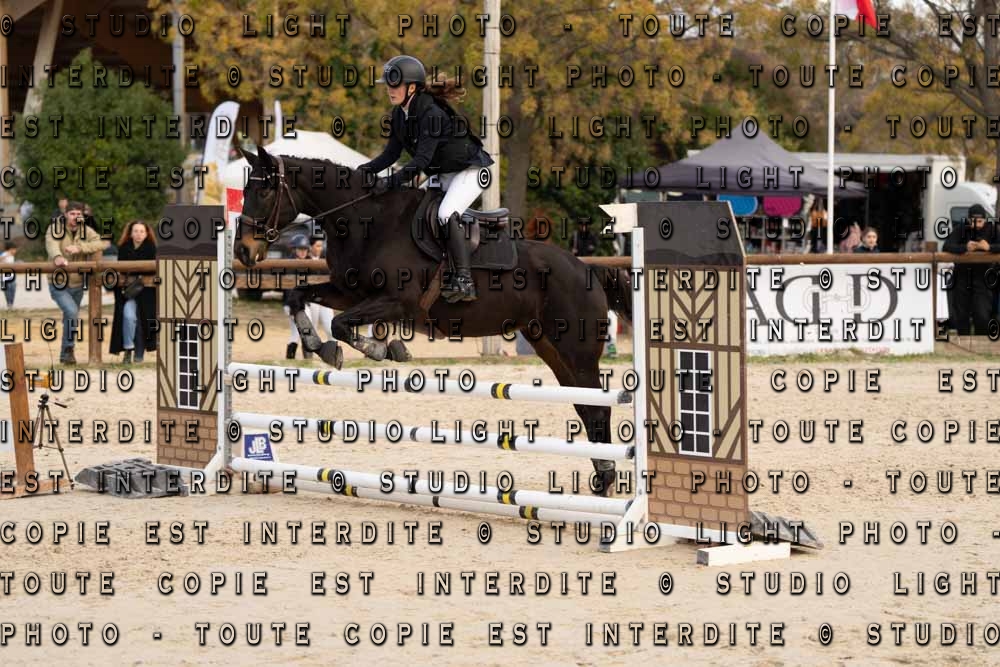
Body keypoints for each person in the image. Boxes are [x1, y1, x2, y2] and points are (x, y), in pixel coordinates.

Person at [359, 54, 494, 303]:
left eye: (395, 85)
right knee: (412, 208)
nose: (389, 90)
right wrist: (362, 171)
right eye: (388, 85)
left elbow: (421, 160)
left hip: (471, 172)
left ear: (412, 88)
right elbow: (390, 155)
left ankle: (464, 279)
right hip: (443, 174)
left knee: (445, 214)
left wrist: (390, 182)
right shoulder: (399, 115)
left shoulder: (430, 113)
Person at [45, 200, 110, 365]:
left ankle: (65, 354)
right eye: (72, 213)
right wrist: (57, 256)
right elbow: (51, 244)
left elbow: (104, 243)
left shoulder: (86, 230)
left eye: (78, 214)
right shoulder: (55, 228)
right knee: (72, 312)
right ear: (66, 214)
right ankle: (69, 348)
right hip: (58, 282)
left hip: (78, 283)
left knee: (70, 316)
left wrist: (80, 248)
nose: (75, 216)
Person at [943, 204, 1000, 335]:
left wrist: (989, 247)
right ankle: (963, 342)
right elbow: (947, 246)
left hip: (983, 277)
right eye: (973, 221)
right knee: (961, 314)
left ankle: (982, 342)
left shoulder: (992, 229)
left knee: (982, 314)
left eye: (980, 221)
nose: (977, 225)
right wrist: (965, 247)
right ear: (968, 220)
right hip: (962, 276)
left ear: (985, 220)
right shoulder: (961, 228)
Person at [109, 220, 158, 364]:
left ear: (147, 233)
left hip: (147, 293)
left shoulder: (152, 249)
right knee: (128, 316)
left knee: (142, 321)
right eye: (135, 231)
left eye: (142, 231)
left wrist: (135, 271)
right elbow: (122, 269)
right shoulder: (124, 248)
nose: (138, 234)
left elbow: (152, 269)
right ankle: (128, 349)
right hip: (129, 291)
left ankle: (139, 352)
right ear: (130, 233)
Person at [283, 235, 334, 359]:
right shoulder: (289, 264)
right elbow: (288, 289)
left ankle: (296, 357)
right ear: (294, 249)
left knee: (296, 333)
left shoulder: (310, 262)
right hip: (293, 303)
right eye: (300, 249)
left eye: (305, 249)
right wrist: (292, 306)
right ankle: (304, 356)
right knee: (304, 328)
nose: (302, 252)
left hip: (305, 303)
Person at [0, 242, 17, 308]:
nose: (15, 251)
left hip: (12, 275)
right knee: (7, 290)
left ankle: (11, 304)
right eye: (14, 249)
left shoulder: (12, 256)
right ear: (11, 249)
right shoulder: (4, 254)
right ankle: (9, 304)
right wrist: (5, 256)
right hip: (4, 276)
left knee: (13, 289)